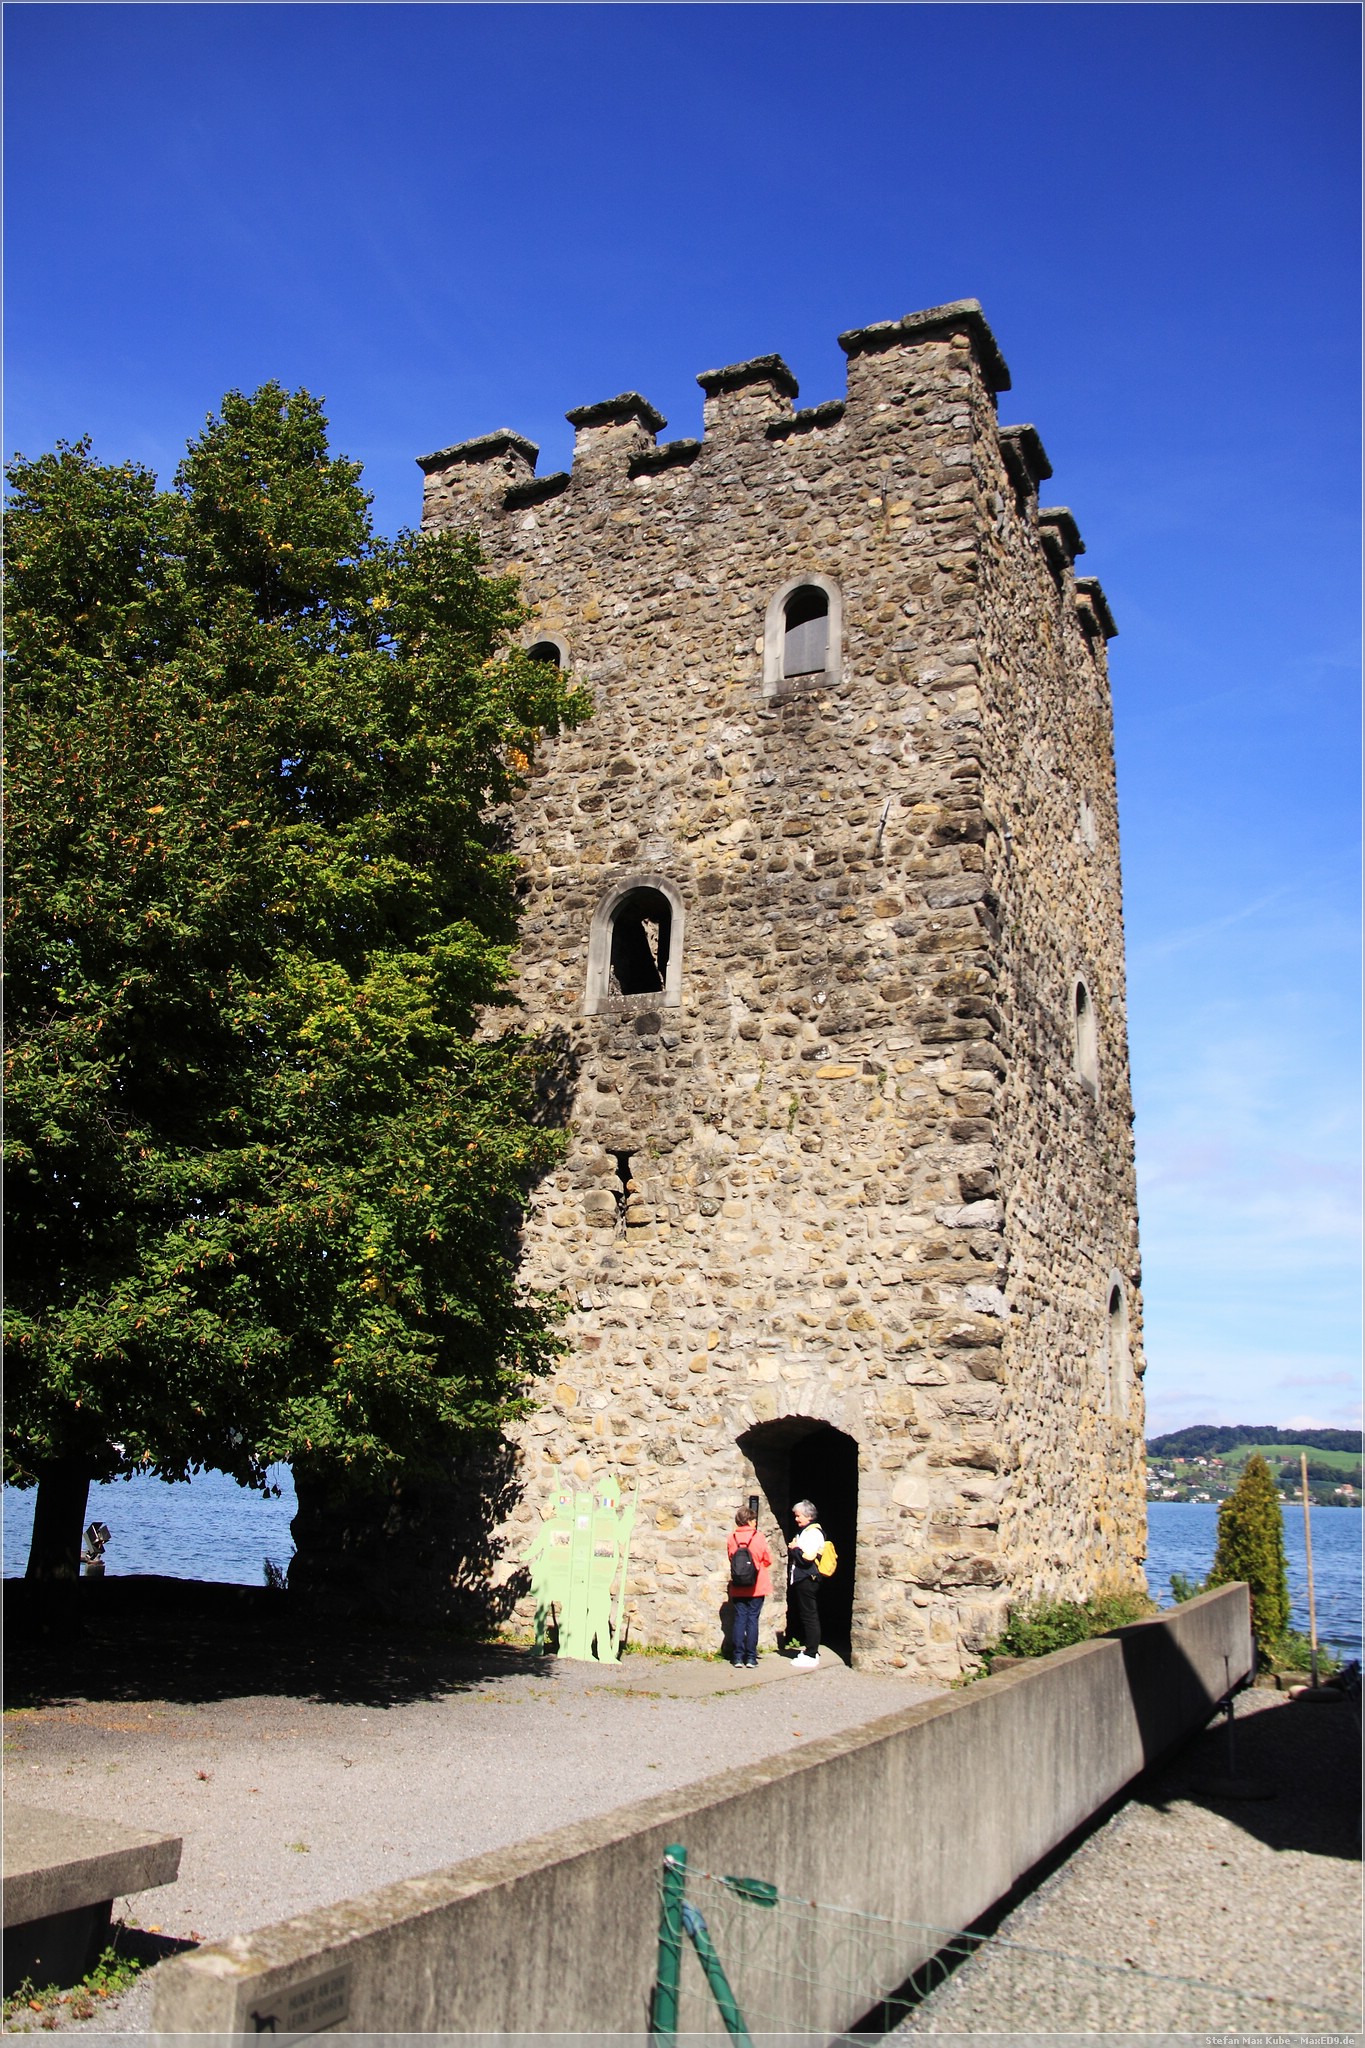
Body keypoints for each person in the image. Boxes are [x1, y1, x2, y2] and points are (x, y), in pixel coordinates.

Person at [726, 1506, 773, 1668]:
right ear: (749, 1520)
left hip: (738, 1584)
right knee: (753, 1619)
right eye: (753, 1520)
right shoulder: (758, 1536)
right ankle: (751, 1657)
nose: (755, 1523)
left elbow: (731, 1558)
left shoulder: (732, 1537)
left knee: (740, 1618)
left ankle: (738, 1657)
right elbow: (767, 1559)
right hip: (757, 1585)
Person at [786, 1499, 824, 1670]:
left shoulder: (813, 1533)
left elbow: (805, 1559)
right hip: (803, 1578)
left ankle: (811, 1653)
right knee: (807, 1614)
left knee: (809, 1616)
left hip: (807, 1578)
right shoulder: (806, 1532)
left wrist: (794, 1548)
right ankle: (810, 1650)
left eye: (798, 1516)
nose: (796, 1519)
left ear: (808, 1516)